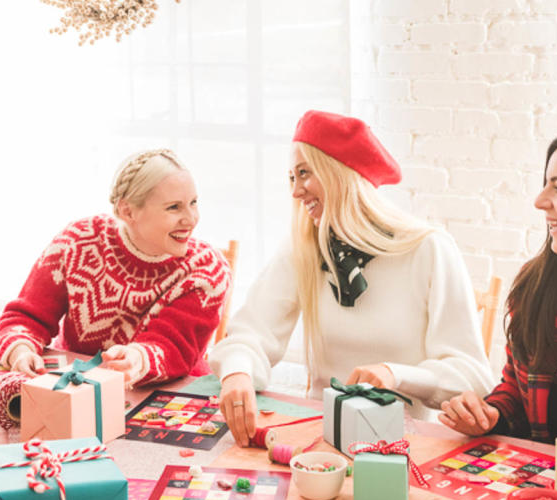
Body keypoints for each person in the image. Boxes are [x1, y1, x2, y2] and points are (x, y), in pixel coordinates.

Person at [211, 110, 493, 444]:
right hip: (319, 443)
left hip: (402, 446)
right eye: (291, 178)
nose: (296, 191)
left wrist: (396, 375)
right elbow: (249, 335)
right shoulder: (303, 248)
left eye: (305, 173)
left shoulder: (429, 250)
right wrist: (238, 372)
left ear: (338, 174)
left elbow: (474, 378)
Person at [440, 121, 557, 443]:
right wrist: (490, 415)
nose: (540, 201)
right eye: (545, 184)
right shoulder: (537, 287)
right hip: (541, 486)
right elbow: (516, 387)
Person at [0, 148, 231, 385]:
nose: (191, 219)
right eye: (174, 207)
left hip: (169, 397)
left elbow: (172, 348)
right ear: (128, 211)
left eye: (193, 203)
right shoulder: (78, 241)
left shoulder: (207, 270)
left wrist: (136, 359)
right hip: (77, 387)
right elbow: (25, 318)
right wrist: (21, 351)